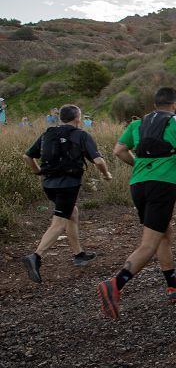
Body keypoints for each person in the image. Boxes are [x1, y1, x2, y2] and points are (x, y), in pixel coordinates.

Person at [97, 86, 176, 320]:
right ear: (174, 104)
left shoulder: (137, 124)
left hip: (138, 185)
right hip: (162, 185)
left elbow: (119, 150)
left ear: (155, 105)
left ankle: (173, 285)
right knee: (149, 243)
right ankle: (115, 284)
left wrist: (138, 166)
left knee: (162, 233)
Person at [21, 104, 113, 283]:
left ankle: (79, 254)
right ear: (78, 118)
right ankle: (36, 257)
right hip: (68, 185)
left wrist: (37, 171)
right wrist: (106, 174)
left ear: (60, 118)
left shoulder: (48, 133)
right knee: (59, 223)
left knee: (72, 213)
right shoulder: (81, 135)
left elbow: (27, 156)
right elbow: (99, 161)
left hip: (48, 184)